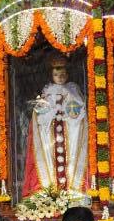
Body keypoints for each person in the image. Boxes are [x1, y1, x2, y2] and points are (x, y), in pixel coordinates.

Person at [22, 55, 88, 198]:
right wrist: (49, 112)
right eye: (56, 75)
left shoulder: (73, 91)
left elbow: (77, 111)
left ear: (67, 75)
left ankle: (72, 189)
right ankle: (50, 188)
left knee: (69, 158)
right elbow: (40, 114)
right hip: (50, 134)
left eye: (63, 75)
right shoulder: (47, 92)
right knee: (51, 160)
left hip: (69, 131)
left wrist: (67, 115)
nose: (60, 77)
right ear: (52, 76)